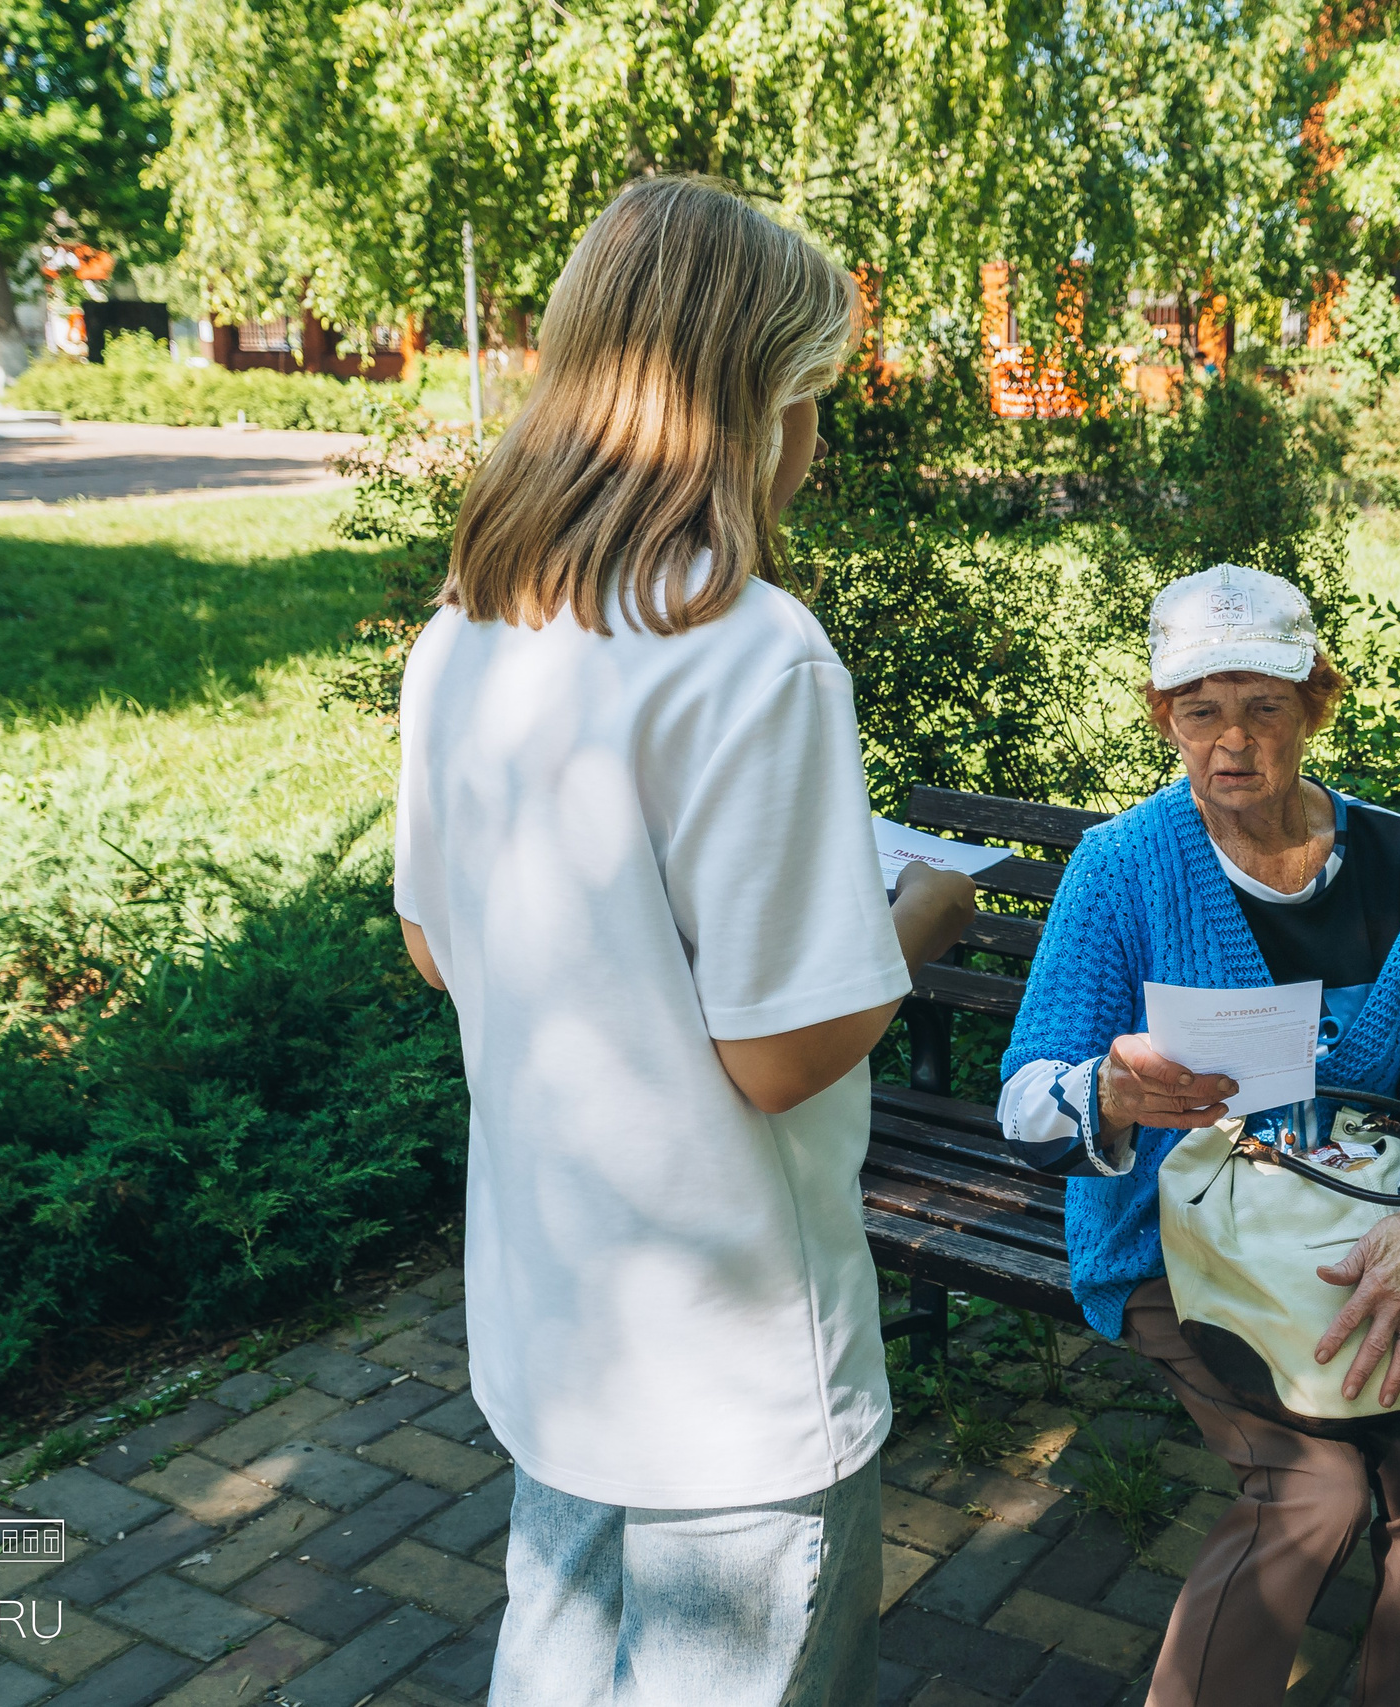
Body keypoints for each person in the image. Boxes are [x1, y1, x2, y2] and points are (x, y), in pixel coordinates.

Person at [391, 174, 977, 1707]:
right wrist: (917, 916)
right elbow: (780, 1053)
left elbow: (437, 944)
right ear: (745, 400)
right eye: (810, 396)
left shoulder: (468, 626)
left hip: (557, 1322)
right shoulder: (752, 650)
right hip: (731, 1369)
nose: (818, 439)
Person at [997, 563, 1400, 1707]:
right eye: (1200, 710)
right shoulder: (1121, 869)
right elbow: (1025, 1096)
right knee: (1313, 1488)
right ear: (1161, 716)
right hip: (1175, 1244)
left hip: (1371, 1231)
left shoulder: (1397, 861)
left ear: (1315, 703)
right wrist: (1112, 1094)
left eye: (1264, 706)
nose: (1231, 741)